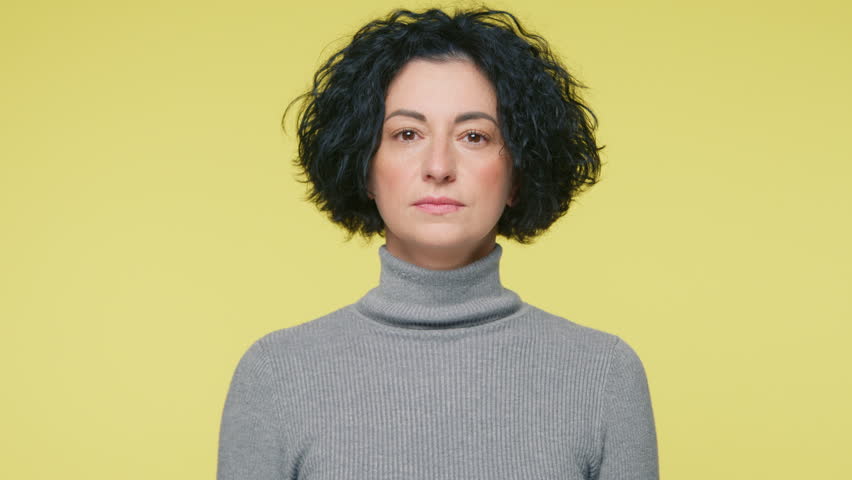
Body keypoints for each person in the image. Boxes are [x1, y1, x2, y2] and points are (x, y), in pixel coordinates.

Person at [217, 6, 658, 480]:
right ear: (365, 167)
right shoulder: (277, 376)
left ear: (517, 174)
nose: (439, 166)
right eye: (407, 133)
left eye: (474, 135)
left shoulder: (603, 377)